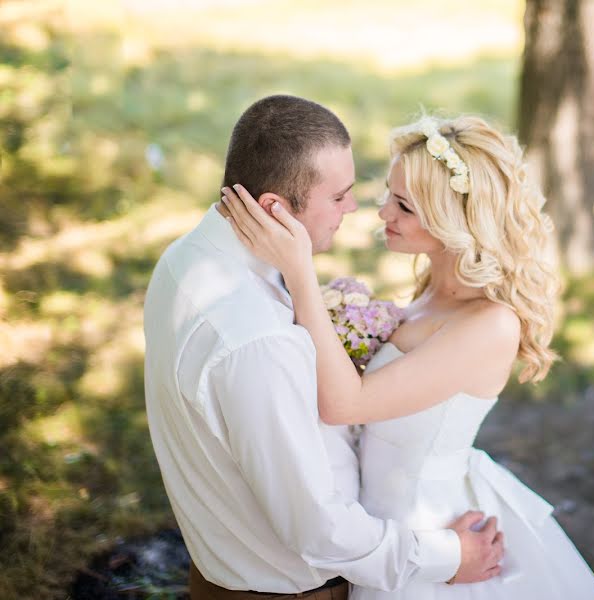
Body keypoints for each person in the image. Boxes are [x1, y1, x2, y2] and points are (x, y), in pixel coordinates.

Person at [221, 114, 594, 599]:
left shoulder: (490, 324)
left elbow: (345, 405)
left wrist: (299, 274)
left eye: (403, 206)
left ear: (456, 220)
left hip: (432, 535)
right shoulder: (431, 292)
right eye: (389, 193)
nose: (382, 212)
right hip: (380, 528)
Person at [143, 96, 504, 600]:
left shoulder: (184, 261)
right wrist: (448, 557)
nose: (358, 209)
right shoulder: (258, 342)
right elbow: (318, 529)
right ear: (274, 209)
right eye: (339, 197)